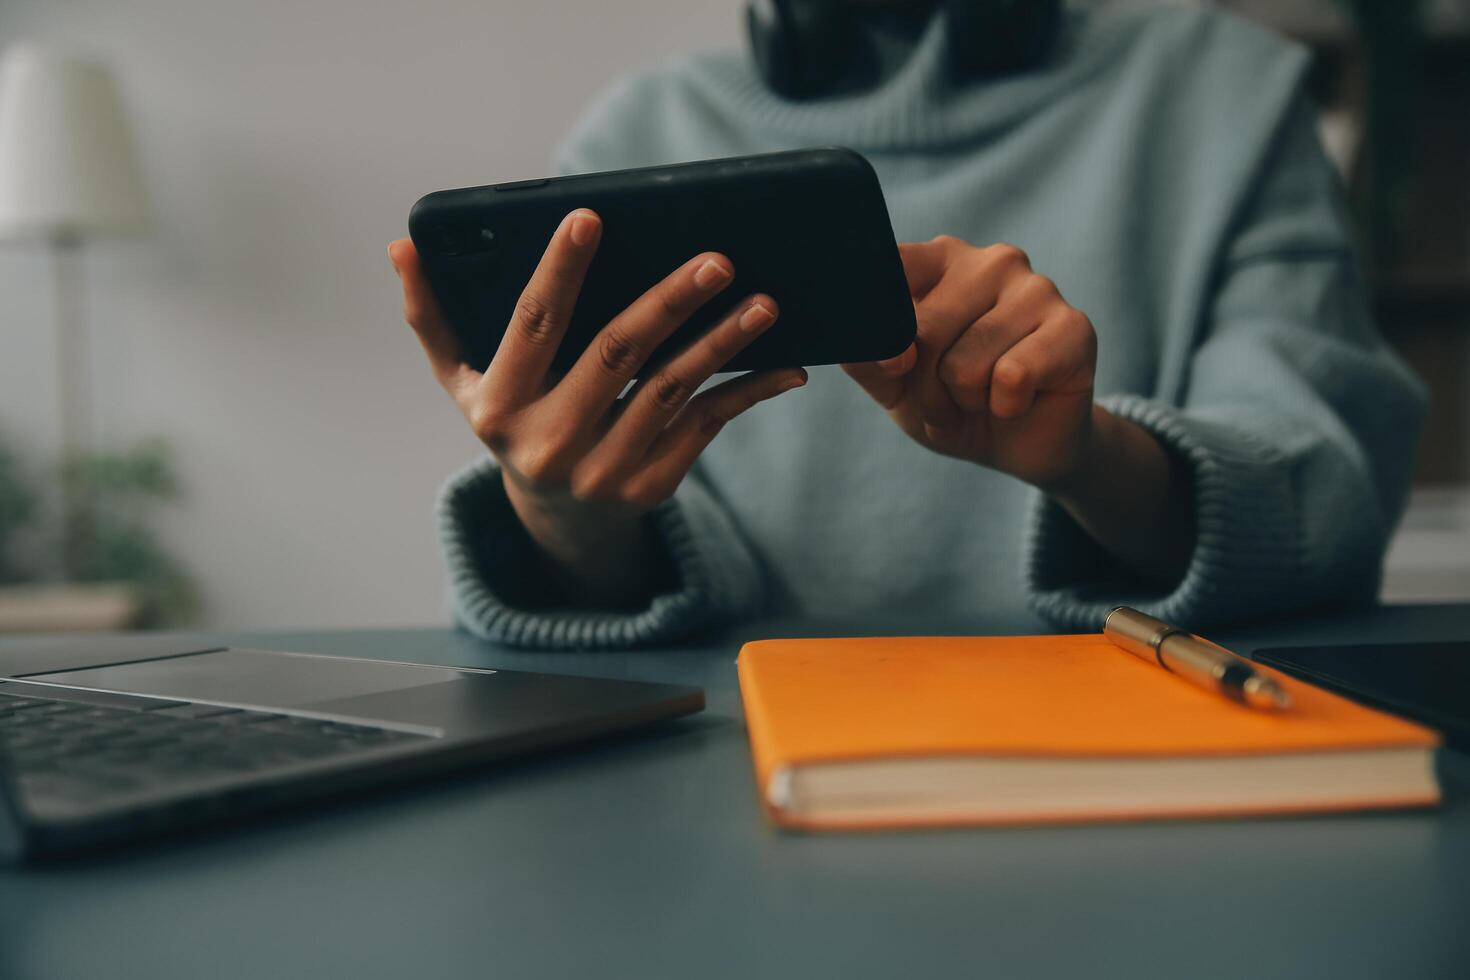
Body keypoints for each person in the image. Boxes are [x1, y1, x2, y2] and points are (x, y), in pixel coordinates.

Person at [387, 0, 1425, 649]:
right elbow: (618, 565)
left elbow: (1325, 501)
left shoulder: (1227, 94)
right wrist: (567, 516)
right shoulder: (636, 133)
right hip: (723, 784)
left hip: (1138, 777)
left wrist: (1089, 456)